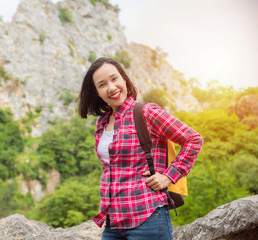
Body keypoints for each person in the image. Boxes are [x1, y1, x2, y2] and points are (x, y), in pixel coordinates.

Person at [77, 57, 203, 240]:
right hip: (113, 221)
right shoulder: (101, 122)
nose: (111, 87)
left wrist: (169, 176)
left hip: (147, 217)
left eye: (114, 79)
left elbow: (193, 139)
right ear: (97, 92)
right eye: (102, 84)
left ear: (124, 79)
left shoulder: (146, 112)